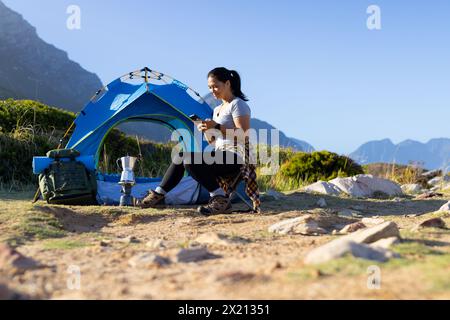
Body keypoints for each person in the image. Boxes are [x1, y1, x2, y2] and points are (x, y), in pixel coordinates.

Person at [139, 67, 252, 215]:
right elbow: (213, 142)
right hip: (220, 154)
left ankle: (220, 199)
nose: (213, 90)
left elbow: (244, 135)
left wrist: (217, 125)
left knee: (190, 160)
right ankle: (158, 195)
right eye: (210, 87)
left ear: (228, 83)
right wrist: (207, 130)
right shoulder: (217, 109)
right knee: (181, 156)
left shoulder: (237, 104)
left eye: (216, 86)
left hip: (236, 156)